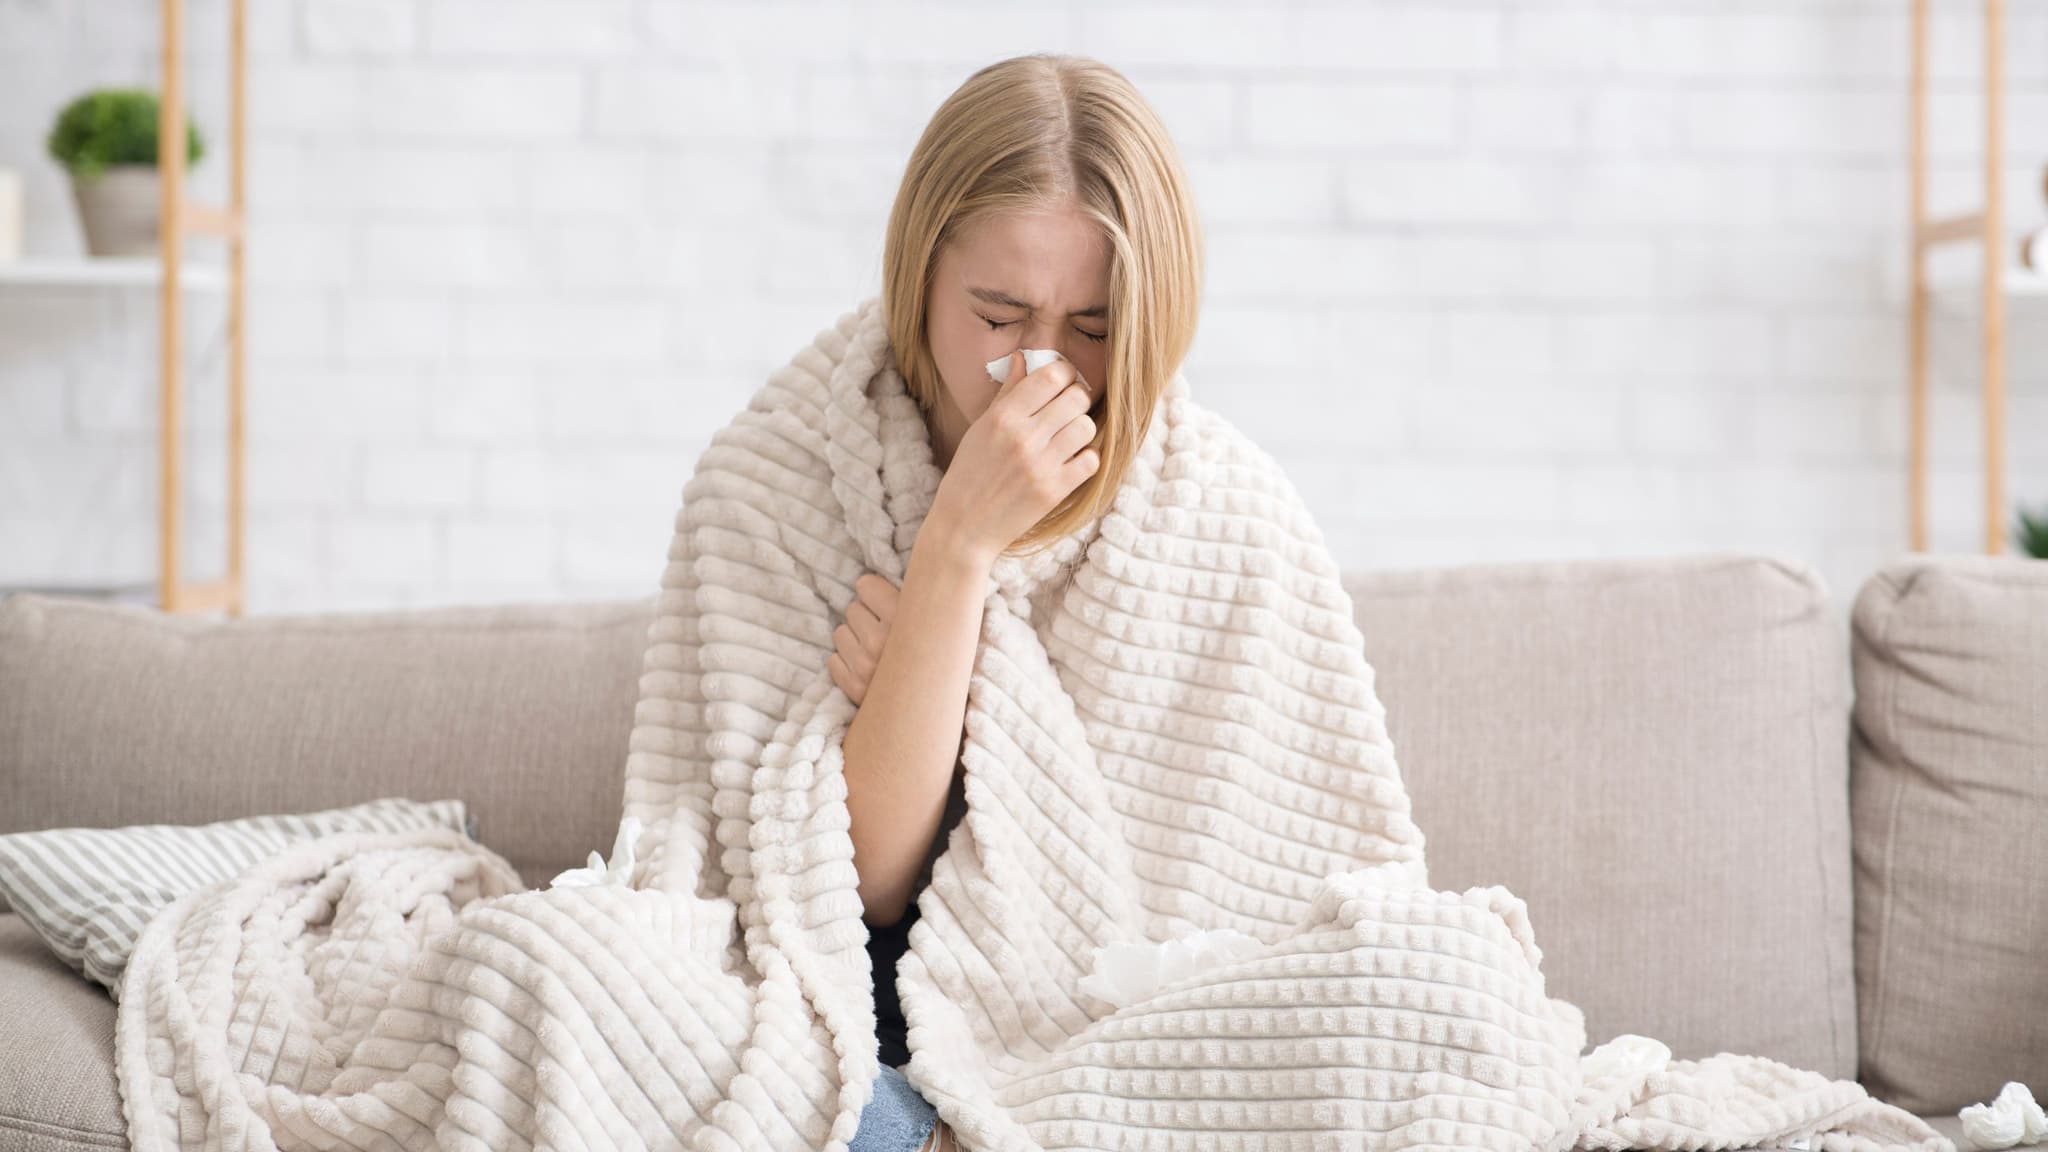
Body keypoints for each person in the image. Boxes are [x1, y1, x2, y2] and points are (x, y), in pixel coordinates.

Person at [822, 50, 1203, 1152]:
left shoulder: (1213, 503)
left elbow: (1255, 905)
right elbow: (858, 892)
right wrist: (955, 549)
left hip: (1114, 1033)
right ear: (920, 276)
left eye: (1090, 328)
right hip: (865, 1021)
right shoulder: (788, 469)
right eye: (996, 314)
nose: (1040, 366)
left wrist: (918, 683)